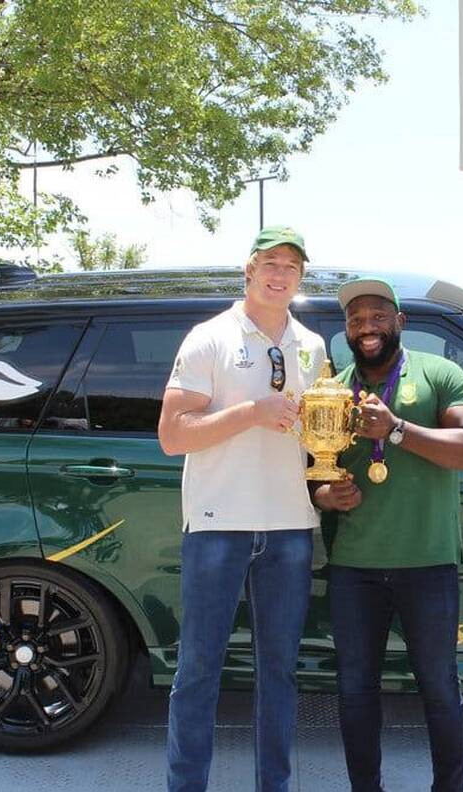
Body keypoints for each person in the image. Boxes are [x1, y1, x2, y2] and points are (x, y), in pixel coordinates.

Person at [159, 226, 326, 792]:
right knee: (198, 670)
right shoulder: (209, 338)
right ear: (249, 269)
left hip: (290, 525)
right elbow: (173, 435)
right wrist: (253, 412)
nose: (280, 275)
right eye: (270, 263)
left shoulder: (313, 346)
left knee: (279, 672)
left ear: (301, 277)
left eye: (291, 266)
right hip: (218, 524)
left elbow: (316, 437)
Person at [313, 277, 463, 792]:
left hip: (428, 562)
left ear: (400, 322)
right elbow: (309, 472)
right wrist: (324, 495)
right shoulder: (330, 390)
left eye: (377, 317)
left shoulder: (439, 373)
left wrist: (396, 429)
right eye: (356, 321)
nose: (366, 328)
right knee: (355, 690)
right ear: (346, 331)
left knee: (439, 687)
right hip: (354, 567)